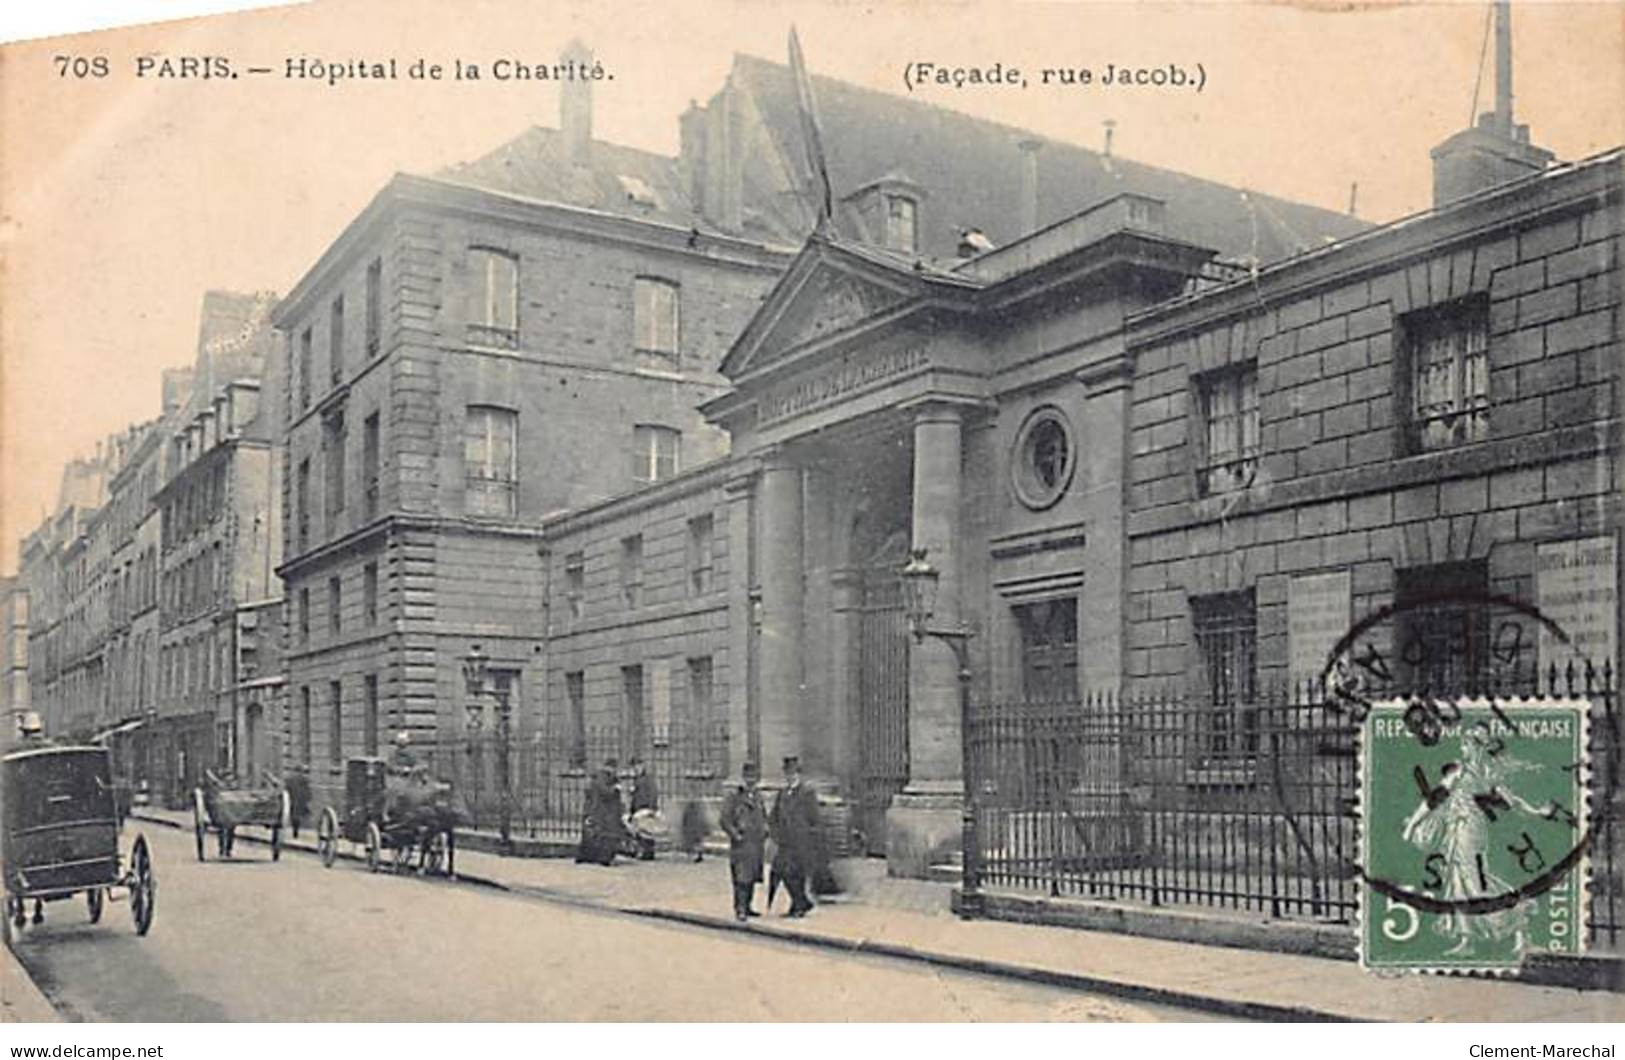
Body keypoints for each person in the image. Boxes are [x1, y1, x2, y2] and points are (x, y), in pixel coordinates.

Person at [769, 755, 820, 918]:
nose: (790, 777)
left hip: (801, 841)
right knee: (783, 872)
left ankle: (798, 905)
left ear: (799, 774)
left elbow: (814, 817)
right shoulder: (782, 793)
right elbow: (773, 816)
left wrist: (809, 835)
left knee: (798, 873)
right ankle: (802, 902)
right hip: (785, 842)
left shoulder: (807, 793)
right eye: (787, 774)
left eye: (793, 773)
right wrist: (775, 833)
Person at [720, 761, 768, 921]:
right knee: (741, 877)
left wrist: (766, 829)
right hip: (741, 843)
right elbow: (725, 820)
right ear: (743, 777)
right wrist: (735, 835)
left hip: (756, 843)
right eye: (748, 776)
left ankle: (748, 906)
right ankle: (740, 908)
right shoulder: (734, 796)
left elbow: (764, 816)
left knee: (752, 876)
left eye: (754, 777)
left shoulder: (758, 796)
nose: (751, 780)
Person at [576, 758, 626, 866]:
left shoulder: (606, 778)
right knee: (603, 835)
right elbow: (605, 793)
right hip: (602, 811)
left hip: (604, 811)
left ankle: (595, 857)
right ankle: (601, 858)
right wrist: (615, 789)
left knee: (599, 834)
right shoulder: (602, 778)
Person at [627, 756, 660, 861]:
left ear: (642, 766)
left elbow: (653, 793)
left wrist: (651, 808)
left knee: (647, 830)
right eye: (634, 767)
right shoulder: (637, 779)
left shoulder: (647, 779)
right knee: (640, 830)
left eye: (638, 766)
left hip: (645, 808)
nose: (636, 769)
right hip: (638, 808)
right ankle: (644, 851)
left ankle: (648, 852)